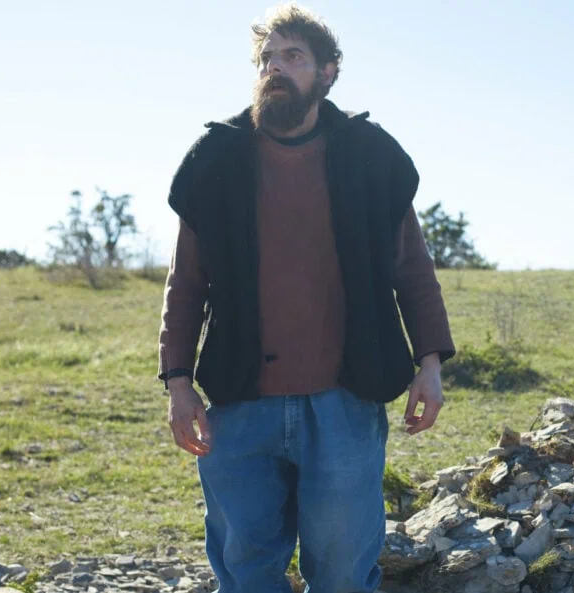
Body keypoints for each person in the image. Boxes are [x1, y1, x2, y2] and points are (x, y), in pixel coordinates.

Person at [154, 4, 455, 592]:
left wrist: (430, 363)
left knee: (342, 575)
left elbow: (412, 269)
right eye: (267, 58)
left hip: (345, 401)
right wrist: (178, 382)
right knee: (245, 573)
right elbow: (185, 282)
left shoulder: (371, 158)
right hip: (239, 406)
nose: (275, 68)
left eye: (292, 56)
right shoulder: (214, 160)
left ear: (328, 72)